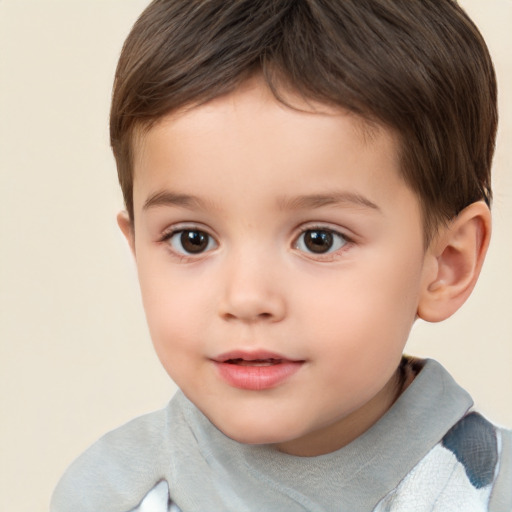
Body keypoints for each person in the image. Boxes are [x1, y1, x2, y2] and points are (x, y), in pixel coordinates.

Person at [50, 0, 511, 510]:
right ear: (136, 249)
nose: (247, 298)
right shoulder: (111, 493)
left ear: (447, 263)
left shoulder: (490, 492)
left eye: (319, 239)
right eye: (192, 239)